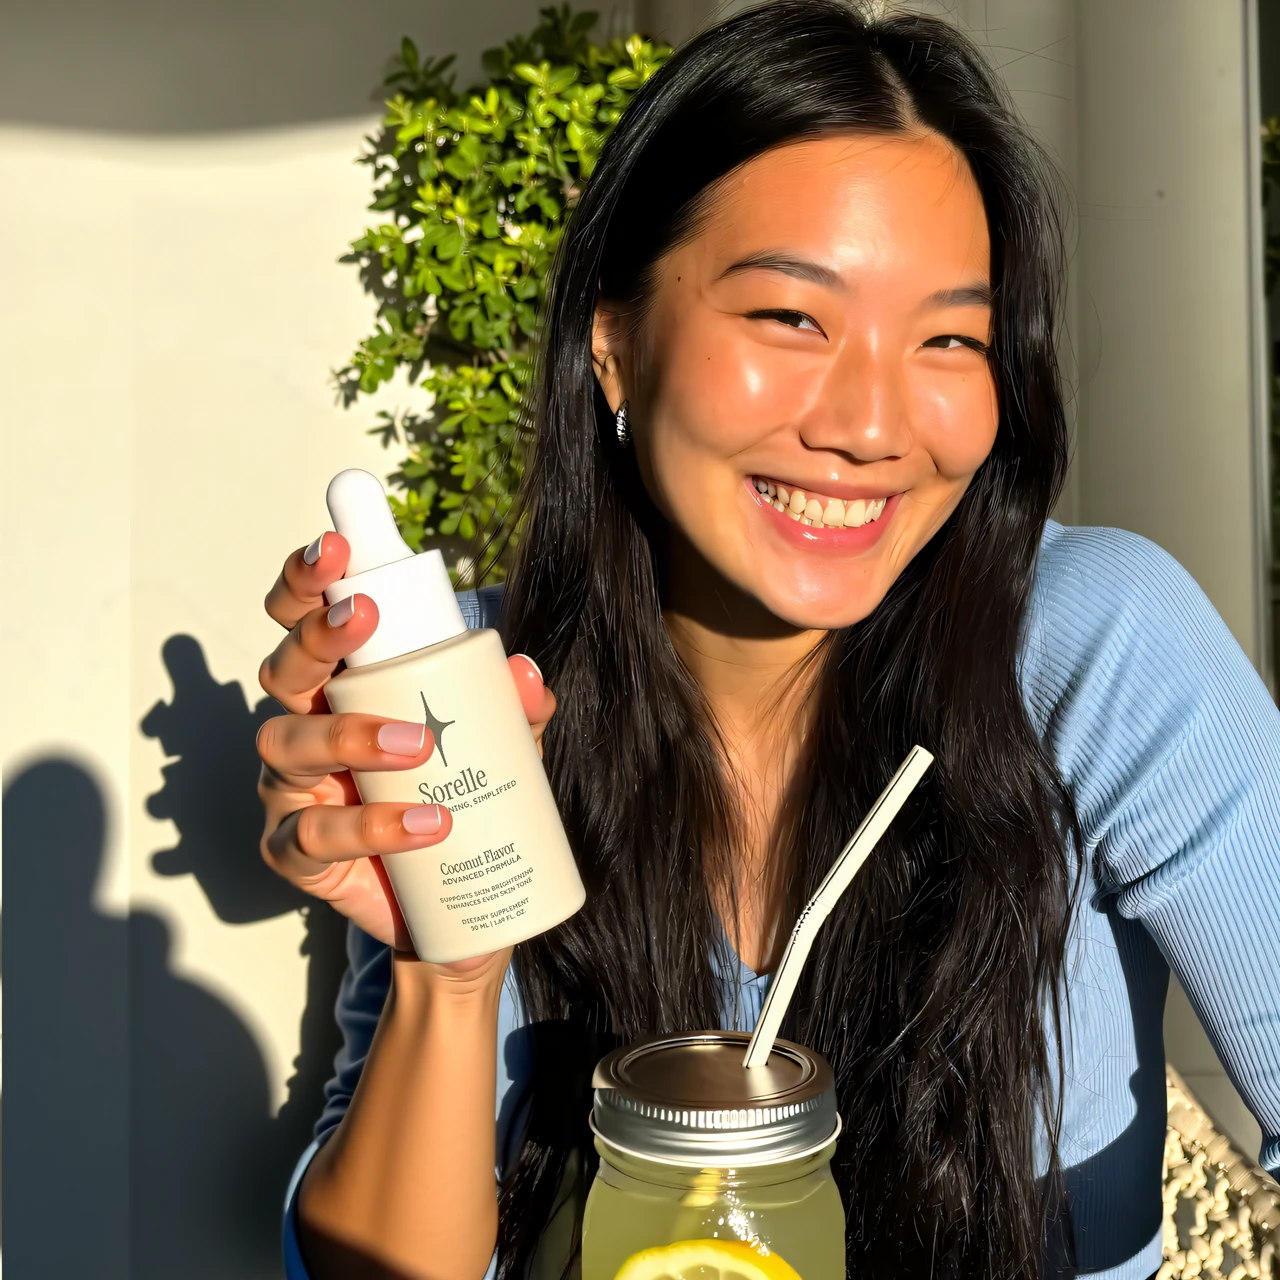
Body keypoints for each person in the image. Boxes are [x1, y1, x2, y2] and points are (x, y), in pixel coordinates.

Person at [254, 3, 1280, 1277]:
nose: (869, 422)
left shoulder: (1092, 641)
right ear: (614, 342)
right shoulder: (476, 702)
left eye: (949, 338)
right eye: (792, 319)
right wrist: (445, 973)